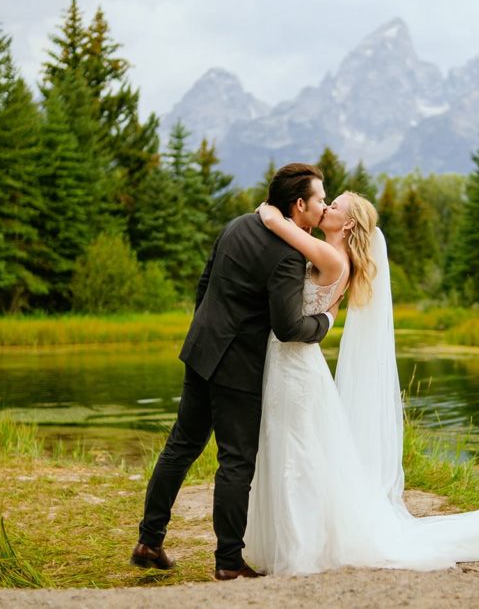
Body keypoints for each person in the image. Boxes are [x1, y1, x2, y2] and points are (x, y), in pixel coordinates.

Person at [244, 191, 479, 575]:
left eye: (334, 205)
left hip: (298, 364)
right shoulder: (331, 254)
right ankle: (295, 539)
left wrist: (270, 215)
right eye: (326, 201)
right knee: (300, 452)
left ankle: (298, 545)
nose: (325, 208)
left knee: (299, 453)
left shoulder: (331, 257)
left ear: (349, 223)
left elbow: (280, 229)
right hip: (296, 363)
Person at [132, 163, 338, 581]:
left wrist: (205, 330)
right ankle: (228, 562)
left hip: (201, 348)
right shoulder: (287, 255)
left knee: (181, 445)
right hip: (238, 366)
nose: (323, 205)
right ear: (299, 205)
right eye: (319, 198)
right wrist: (327, 323)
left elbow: (204, 284)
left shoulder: (240, 223)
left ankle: (149, 540)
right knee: (236, 462)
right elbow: (288, 327)